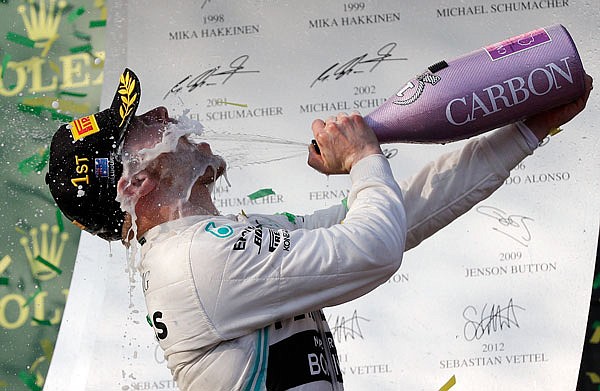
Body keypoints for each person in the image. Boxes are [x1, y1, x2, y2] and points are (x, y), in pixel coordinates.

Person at [46, 68, 592, 390]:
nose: (163, 112)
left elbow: (400, 216)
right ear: (132, 184)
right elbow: (375, 249)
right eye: (141, 126)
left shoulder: (211, 243)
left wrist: (527, 130)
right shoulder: (194, 261)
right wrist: (360, 159)